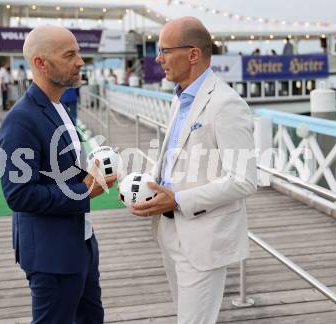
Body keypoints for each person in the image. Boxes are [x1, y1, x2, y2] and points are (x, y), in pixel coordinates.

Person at [129, 16, 257, 324]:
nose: (157, 59)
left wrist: (178, 200)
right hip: (169, 231)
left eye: (164, 51)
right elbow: (176, 160)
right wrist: (150, 186)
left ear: (193, 55)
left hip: (203, 237)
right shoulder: (180, 98)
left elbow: (244, 180)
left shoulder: (226, 104)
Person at [0, 25, 117, 324]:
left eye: (78, 52)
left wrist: (89, 170)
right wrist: (84, 191)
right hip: (52, 256)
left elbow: (56, 168)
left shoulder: (58, 105)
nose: (80, 61)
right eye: (70, 55)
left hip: (81, 243)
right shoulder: (20, 120)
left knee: (91, 318)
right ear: (41, 63)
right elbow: (18, 194)